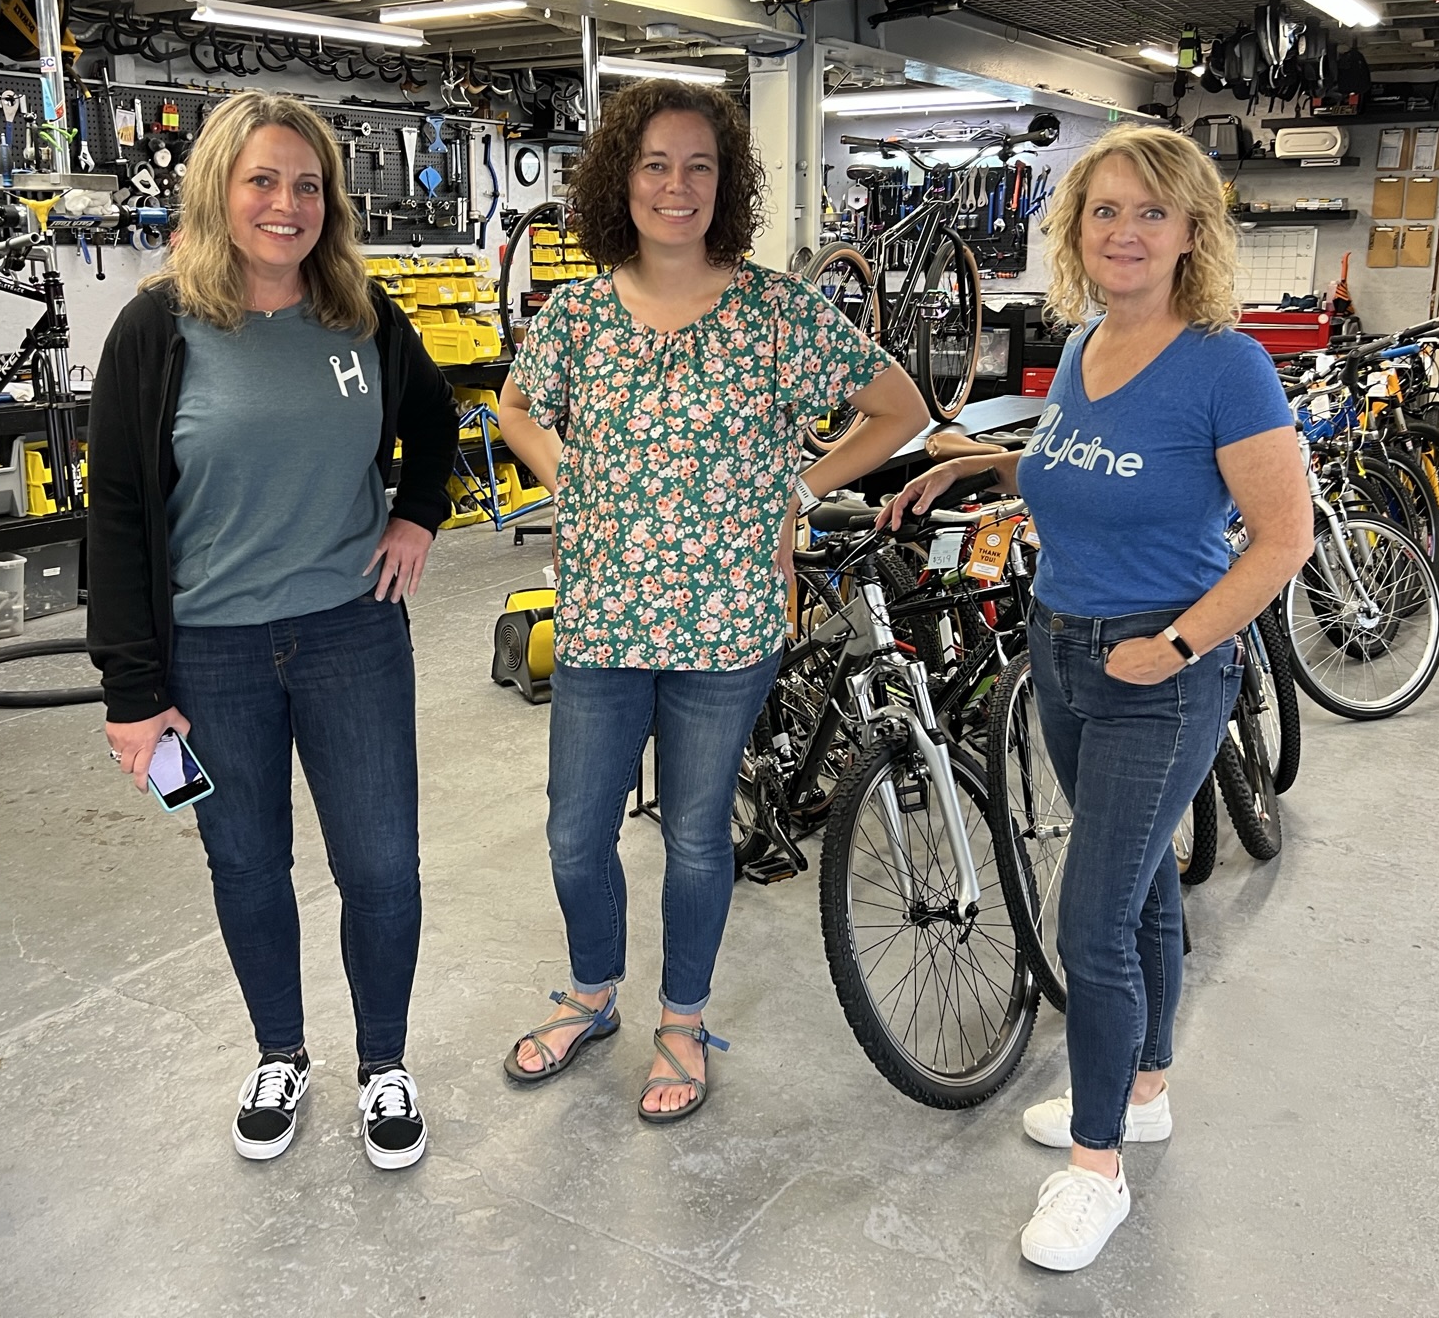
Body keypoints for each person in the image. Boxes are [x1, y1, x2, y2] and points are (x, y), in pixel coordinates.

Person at [888, 124, 1312, 1270]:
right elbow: (1087, 467)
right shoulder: (1084, 346)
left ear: (1189, 234)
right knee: (1139, 899)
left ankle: (1094, 1167)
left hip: (1158, 675)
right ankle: (1143, 1091)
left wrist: (1175, 644)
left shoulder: (1224, 363)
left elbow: (1282, 539)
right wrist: (988, 466)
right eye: (1102, 211)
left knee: (1090, 916)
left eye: (1149, 214)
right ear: (1076, 227)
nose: (1122, 232)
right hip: (1063, 652)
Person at [497, 79, 928, 1122]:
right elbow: (514, 408)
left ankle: (680, 1021)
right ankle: (592, 993)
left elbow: (899, 410)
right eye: (654, 164)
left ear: (723, 184)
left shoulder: (775, 311)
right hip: (599, 620)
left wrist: (797, 487)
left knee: (697, 837)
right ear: (621, 179)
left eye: (697, 166)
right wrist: (568, 477)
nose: (675, 185)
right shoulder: (580, 314)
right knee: (572, 832)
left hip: (725, 624)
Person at [87, 90, 458, 1169]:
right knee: (247, 866)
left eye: (305, 184)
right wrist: (130, 693)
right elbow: (114, 514)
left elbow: (433, 420)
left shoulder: (360, 312)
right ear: (217, 189)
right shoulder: (156, 327)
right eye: (262, 180)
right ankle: (280, 1051)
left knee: (382, 868)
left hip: (352, 635)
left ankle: (382, 1063)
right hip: (211, 655)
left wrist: (417, 514)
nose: (286, 204)